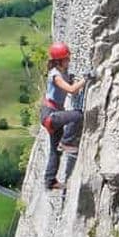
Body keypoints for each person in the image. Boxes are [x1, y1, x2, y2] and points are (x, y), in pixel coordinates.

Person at [40, 41, 86, 191]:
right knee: (77, 115)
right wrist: (85, 79)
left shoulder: (62, 73)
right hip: (51, 115)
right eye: (67, 58)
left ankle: (50, 181)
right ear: (59, 60)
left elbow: (70, 86)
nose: (69, 60)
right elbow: (72, 90)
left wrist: (72, 79)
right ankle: (66, 142)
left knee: (55, 151)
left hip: (51, 116)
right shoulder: (55, 75)